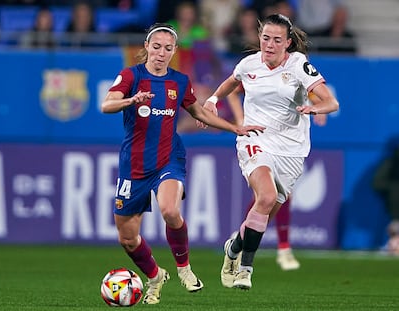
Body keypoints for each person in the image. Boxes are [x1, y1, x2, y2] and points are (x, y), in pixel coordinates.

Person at [101, 22, 263, 304]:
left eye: (167, 48)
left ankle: (184, 269)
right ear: (146, 48)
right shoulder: (131, 76)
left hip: (169, 158)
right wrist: (131, 100)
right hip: (134, 165)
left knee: (170, 210)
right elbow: (107, 105)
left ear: (174, 51)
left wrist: (234, 127)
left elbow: (198, 111)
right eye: (156, 47)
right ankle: (154, 276)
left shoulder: (179, 81)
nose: (161, 53)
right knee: (128, 239)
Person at [198, 13, 339, 289]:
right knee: (266, 196)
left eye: (277, 40)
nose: (270, 45)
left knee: (264, 210)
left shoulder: (299, 65)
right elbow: (232, 82)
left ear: (287, 43)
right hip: (256, 138)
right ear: (259, 38)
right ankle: (246, 270)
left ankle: (234, 248)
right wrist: (214, 99)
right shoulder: (249, 64)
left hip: (292, 150)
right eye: (265, 38)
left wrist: (314, 108)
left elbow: (330, 102)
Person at [226, 84, 328, 271]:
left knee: (272, 197)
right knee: (268, 195)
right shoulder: (258, 68)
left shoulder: (298, 70)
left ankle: (241, 237)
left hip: (287, 142)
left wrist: (319, 107)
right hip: (260, 138)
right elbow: (232, 90)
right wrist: (240, 118)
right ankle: (281, 248)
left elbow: (313, 93)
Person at [373, 138, 399, 255]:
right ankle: (394, 242)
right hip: (395, 205)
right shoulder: (393, 161)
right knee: (396, 190)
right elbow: (377, 182)